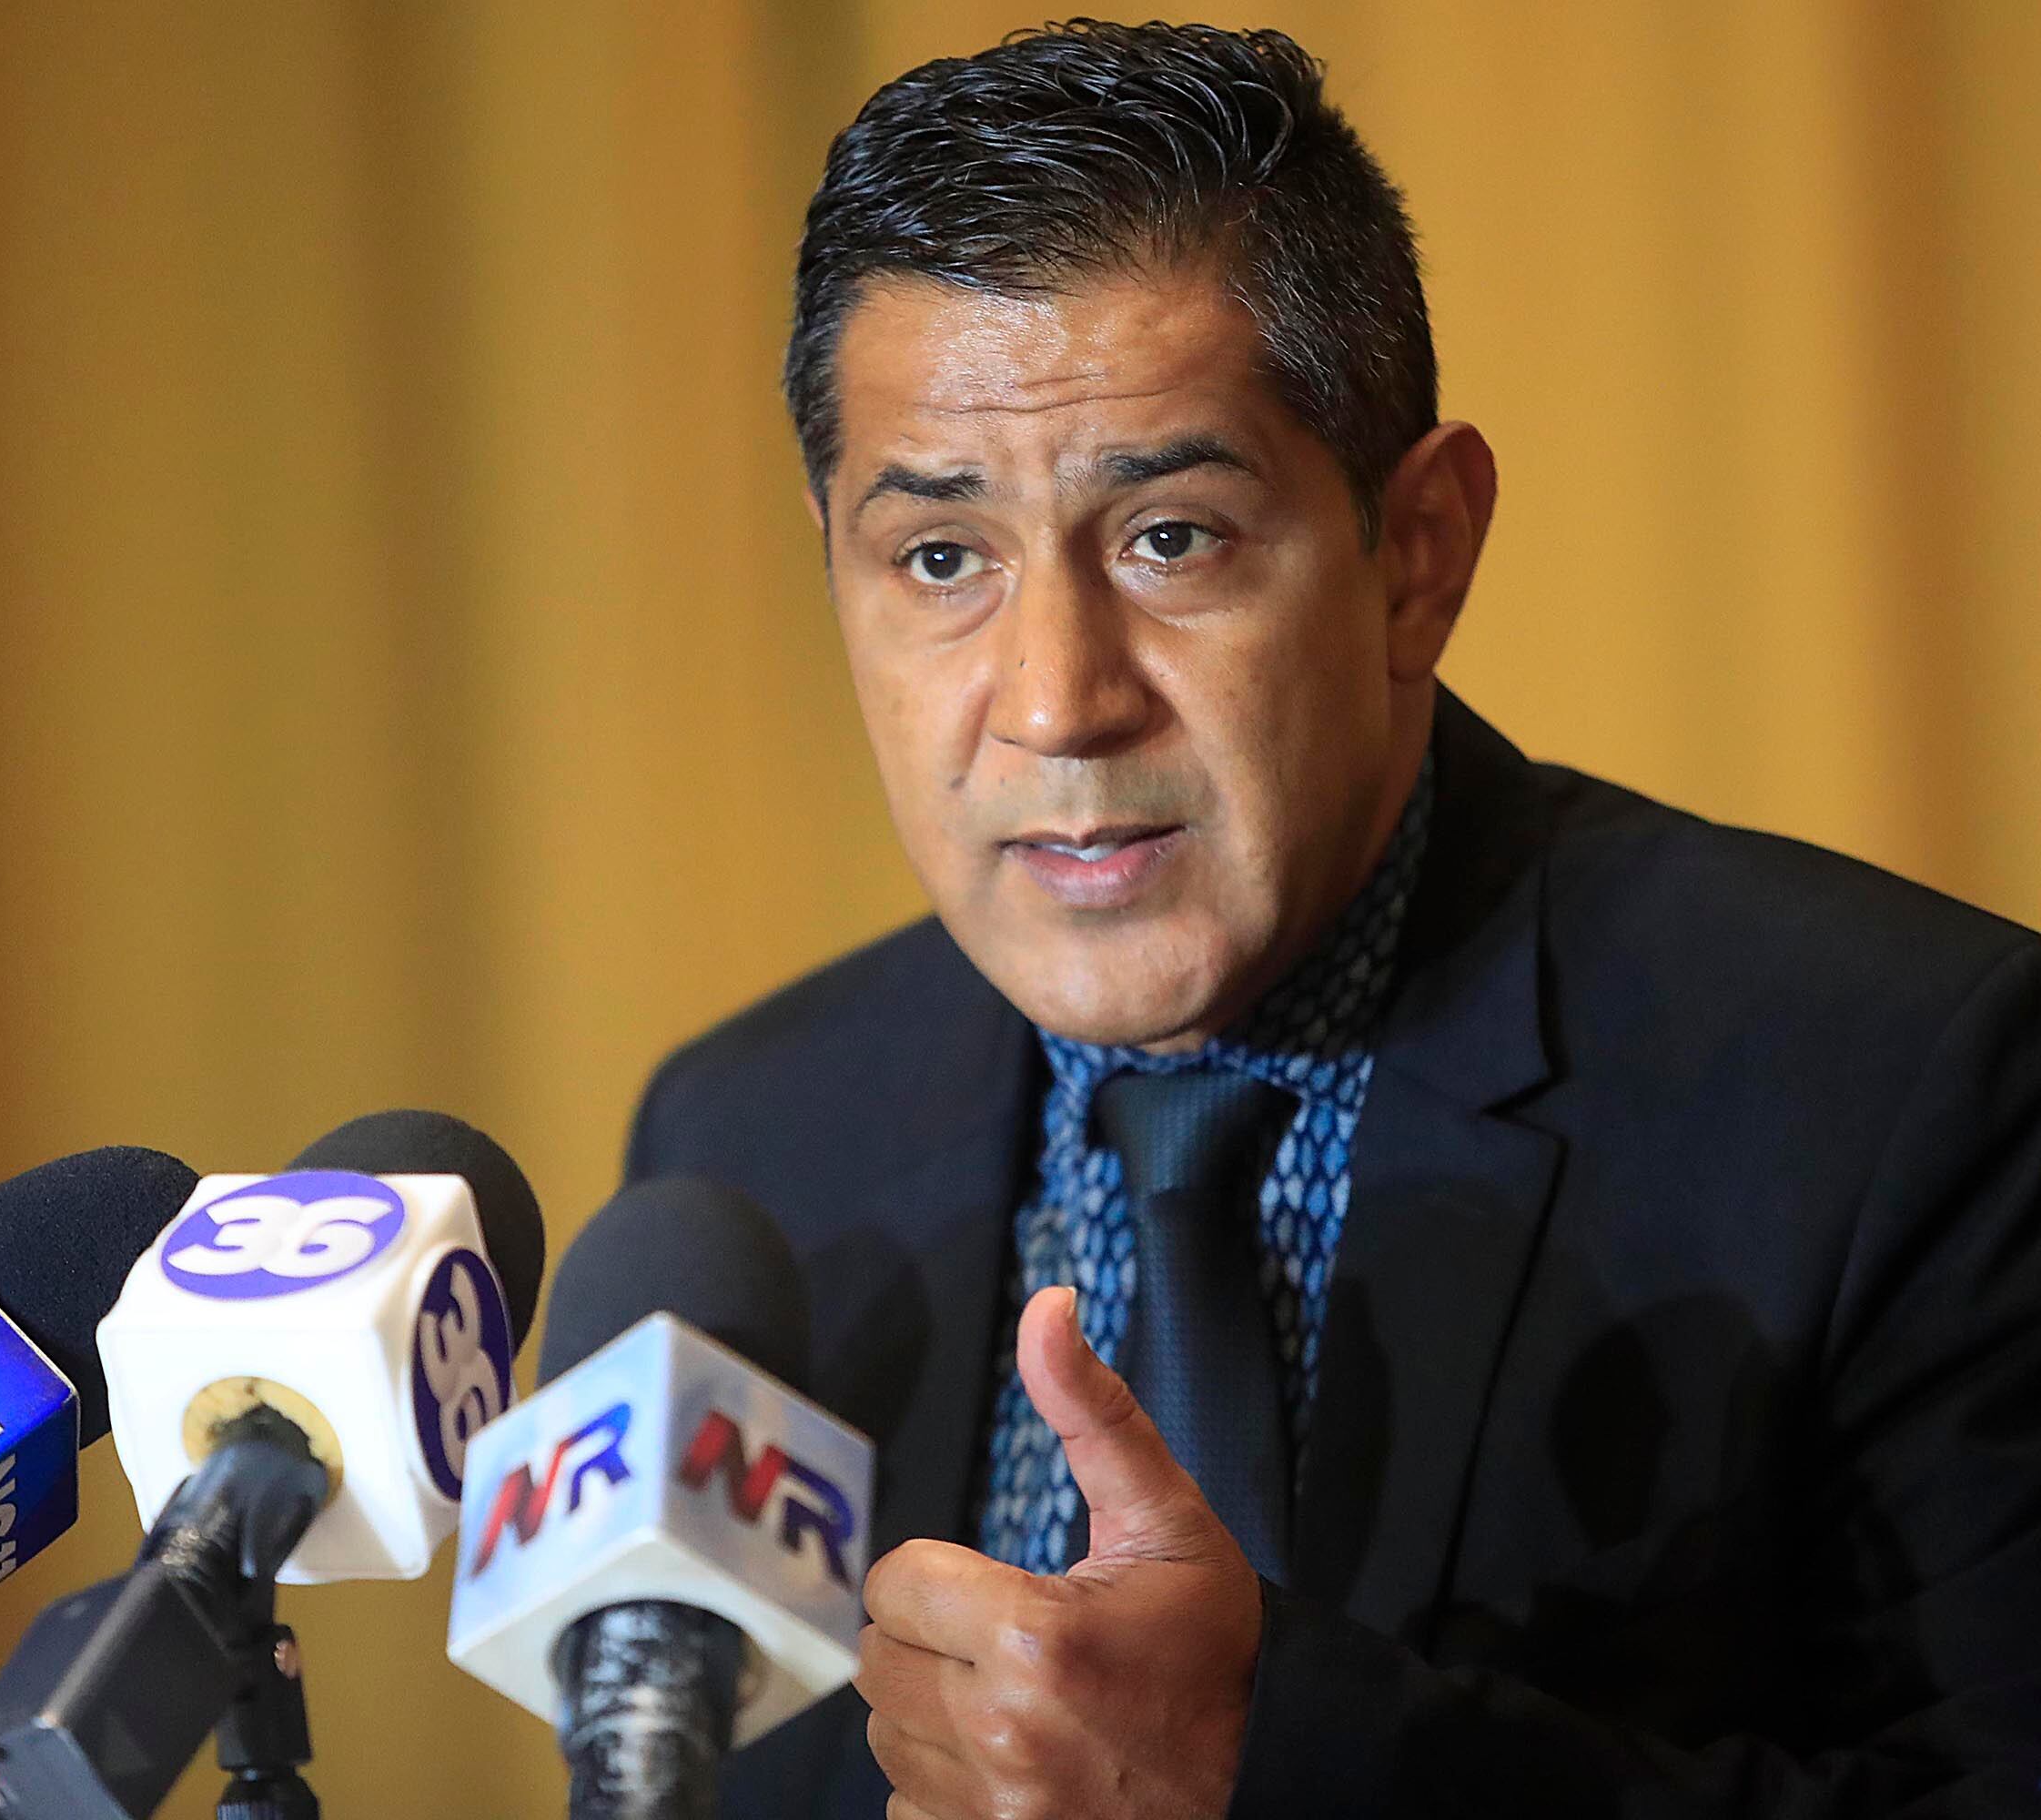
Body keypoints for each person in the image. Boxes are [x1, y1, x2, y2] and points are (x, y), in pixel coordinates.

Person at [621, 20, 2041, 1819]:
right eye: (940, 559)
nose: (1056, 702)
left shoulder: (1899, 1089)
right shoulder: (745, 1151)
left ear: (1418, 554)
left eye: (1172, 536)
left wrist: (1277, 1765)